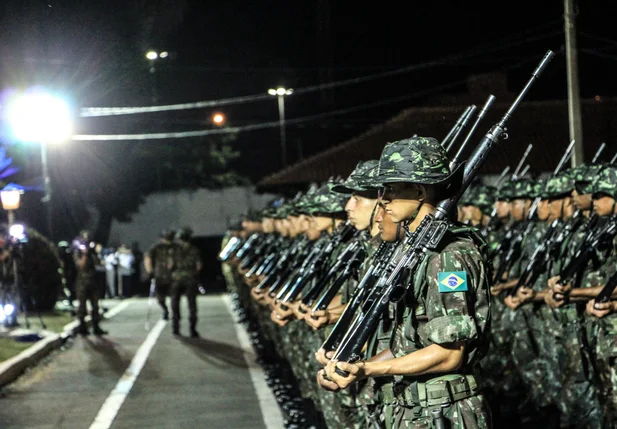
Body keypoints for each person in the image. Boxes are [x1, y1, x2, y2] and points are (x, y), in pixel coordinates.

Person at [322, 136, 492, 429]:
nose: (382, 199)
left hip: (444, 412)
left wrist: (370, 368)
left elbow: (449, 353)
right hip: (413, 408)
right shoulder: (416, 251)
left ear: (418, 190)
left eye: (391, 189)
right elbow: (408, 343)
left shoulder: (448, 256)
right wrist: (355, 365)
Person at [72, 230, 107, 336]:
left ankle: (96, 326)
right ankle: (82, 327)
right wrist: (85, 254)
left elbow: (99, 263)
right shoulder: (77, 252)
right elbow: (80, 265)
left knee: (95, 306)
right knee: (82, 306)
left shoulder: (92, 252)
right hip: (82, 283)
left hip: (93, 282)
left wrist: (94, 253)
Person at [170, 226, 202, 337]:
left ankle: (175, 328)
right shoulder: (194, 250)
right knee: (192, 305)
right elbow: (198, 266)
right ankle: (193, 330)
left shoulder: (174, 251)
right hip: (190, 279)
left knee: (175, 304)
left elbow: (170, 265)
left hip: (177, 279)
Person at [144, 229, 176, 320]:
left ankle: (175, 313)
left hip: (173, 275)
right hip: (160, 275)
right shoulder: (157, 247)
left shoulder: (176, 247)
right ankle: (165, 310)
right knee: (160, 298)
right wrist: (150, 271)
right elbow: (148, 258)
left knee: (174, 296)